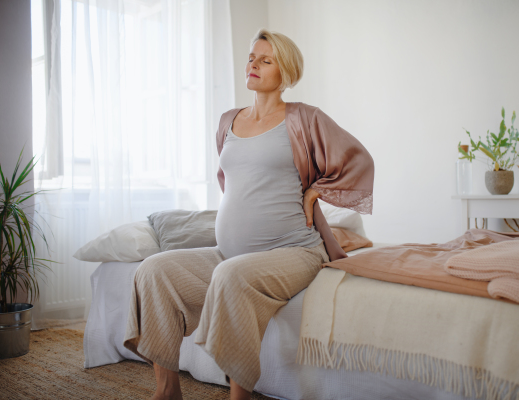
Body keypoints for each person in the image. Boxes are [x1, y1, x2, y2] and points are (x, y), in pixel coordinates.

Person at [123, 28, 374, 400]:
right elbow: (236, 183)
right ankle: (167, 391)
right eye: (251, 57)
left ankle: (238, 396)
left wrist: (315, 192)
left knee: (231, 275)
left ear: (284, 72)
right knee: (153, 269)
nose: (253, 64)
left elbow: (359, 161)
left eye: (265, 60)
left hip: (295, 251)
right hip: (230, 253)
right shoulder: (228, 121)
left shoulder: (304, 118)